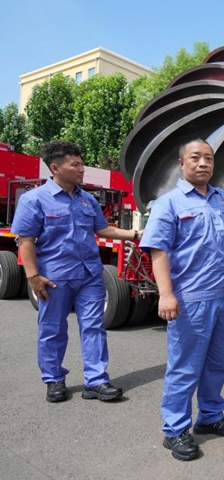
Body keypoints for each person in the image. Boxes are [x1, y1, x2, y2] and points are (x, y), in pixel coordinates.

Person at [140, 139, 224, 462]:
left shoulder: (223, 199)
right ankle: (175, 430)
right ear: (182, 163)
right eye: (196, 157)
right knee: (184, 367)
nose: (203, 163)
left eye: (209, 158)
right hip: (190, 299)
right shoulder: (169, 203)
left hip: (223, 297)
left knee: (216, 364)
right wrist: (166, 294)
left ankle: (210, 416)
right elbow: (158, 251)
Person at [11, 140, 140, 403]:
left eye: (82, 164)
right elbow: (26, 240)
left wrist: (136, 234)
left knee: (94, 327)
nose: (82, 169)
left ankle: (96, 381)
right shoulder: (34, 199)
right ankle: (54, 379)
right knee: (52, 329)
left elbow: (103, 229)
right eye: (76, 164)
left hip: (90, 276)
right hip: (55, 277)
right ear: (55, 168)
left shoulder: (87, 199)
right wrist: (33, 277)